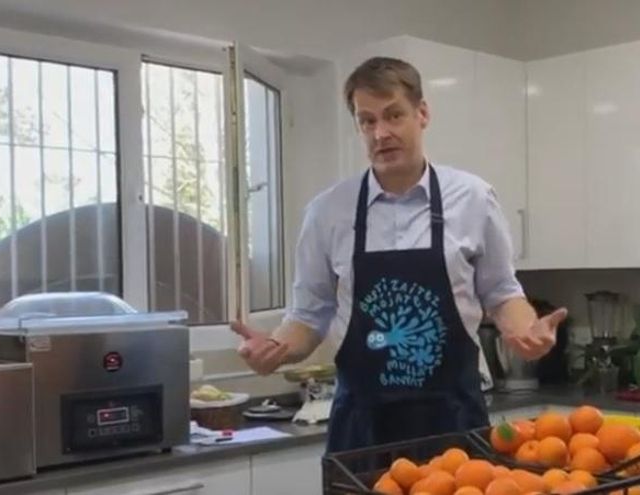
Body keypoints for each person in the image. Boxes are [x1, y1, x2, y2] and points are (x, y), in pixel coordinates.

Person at [231, 56, 567, 453]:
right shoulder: (327, 212)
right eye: (367, 121)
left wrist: (526, 332)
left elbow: (500, 291)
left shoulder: (473, 198)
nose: (381, 133)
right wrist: (275, 350)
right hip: (362, 427)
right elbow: (310, 313)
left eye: (393, 115)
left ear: (422, 113)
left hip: (452, 420)